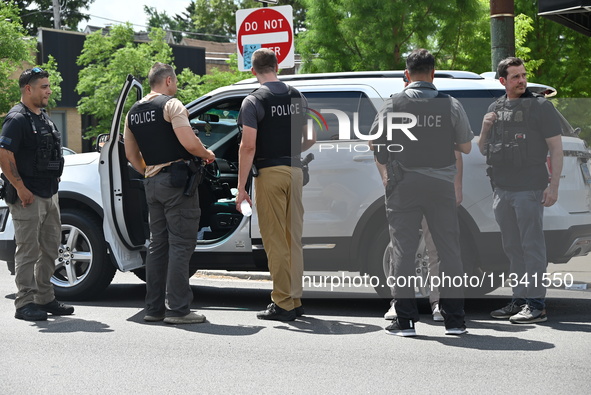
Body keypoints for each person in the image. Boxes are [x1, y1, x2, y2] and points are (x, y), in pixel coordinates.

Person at [372, 49, 473, 336]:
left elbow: (375, 145)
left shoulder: (393, 104)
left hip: (404, 186)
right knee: (449, 251)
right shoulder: (451, 105)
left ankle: (405, 321)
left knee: (403, 251)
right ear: (433, 73)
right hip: (441, 187)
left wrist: (389, 168)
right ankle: (455, 320)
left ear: (407, 75)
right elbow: (465, 147)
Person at [124, 62, 215, 325]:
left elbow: (131, 154)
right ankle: (178, 309)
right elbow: (189, 142)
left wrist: (149, 173)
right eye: (174, 82)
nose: (175, 86)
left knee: (157, 246)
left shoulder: (133, 112)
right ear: (167, 82)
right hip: (176, 184)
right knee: (181, 244)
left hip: (152, 184)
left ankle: (153, 309)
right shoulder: (171, 105)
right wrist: (207, 154)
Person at [478, 57, 563, 324]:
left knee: (532, 247)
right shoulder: (495, 108)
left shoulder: (540, 107)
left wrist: (554, 186)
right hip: (502, 190)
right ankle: (519, 300)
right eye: (515, 77)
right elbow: (483, 149)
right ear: (502, 81)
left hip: (529, 189)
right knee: (513, 248)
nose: (522, 81)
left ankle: (536, 305)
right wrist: (485, 127)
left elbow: (556, 149)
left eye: (523, 75)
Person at [236, 48, 316, 321]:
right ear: (277, 66)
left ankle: (282, 303)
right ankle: (294, 298)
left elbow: (248, 147)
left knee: (274, 240)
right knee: (293, 238)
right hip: (295, 171)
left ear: (253, 71)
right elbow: (311, 137)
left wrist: (242, 187)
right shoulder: (297, 96)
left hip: (270, 173)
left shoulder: (253, 101)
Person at [0, 67, 74, 321]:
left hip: (49, 192)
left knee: (51, 248)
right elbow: (4, 154)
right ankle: (24, 303)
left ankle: (45, 298)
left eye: (48, 86)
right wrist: (21, 188)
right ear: (28, 88)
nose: (49, 91)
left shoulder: (42, 117)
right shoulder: (16, 119)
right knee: (28, 250)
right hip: (27, 196)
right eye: (43, 86)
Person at [383, 152, 463, 323]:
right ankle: (399, 302)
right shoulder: (387, 123)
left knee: (434, 247)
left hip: (433, 183)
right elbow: (375, 145)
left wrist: (457, 186)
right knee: (400, 248)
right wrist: (386, 176)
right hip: (405, 181)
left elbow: (457, 148)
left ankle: (437, 302)